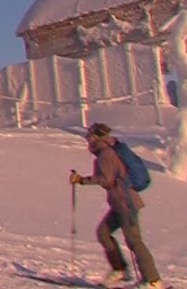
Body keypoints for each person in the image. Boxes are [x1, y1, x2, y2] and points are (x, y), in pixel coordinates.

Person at [69, 123, 164, 288]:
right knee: (103, 232)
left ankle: (153, 281)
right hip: (119, 204)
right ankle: (120, 270)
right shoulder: (106, 152)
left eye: (89, 135)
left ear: (97, 137)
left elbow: (107, 180)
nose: (87, 139)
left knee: (134, 242)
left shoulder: (106, 154)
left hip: (126, 203)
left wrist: (81, 180)